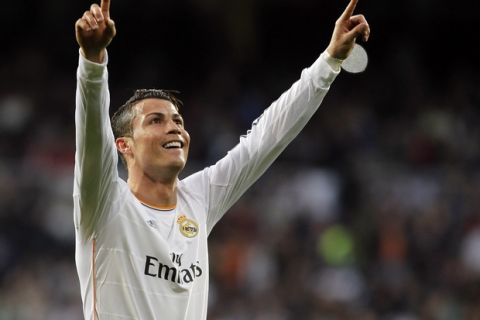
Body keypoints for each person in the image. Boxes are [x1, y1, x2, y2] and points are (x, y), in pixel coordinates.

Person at [73, 0, 370, 318]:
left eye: (177, 121)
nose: (174, 127)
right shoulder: (105, 202)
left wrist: (329, 62)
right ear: (124, 146)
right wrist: (93, 63)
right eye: (156, 121)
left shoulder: (197, 200)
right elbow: (92, 137)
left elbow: (265, 140)